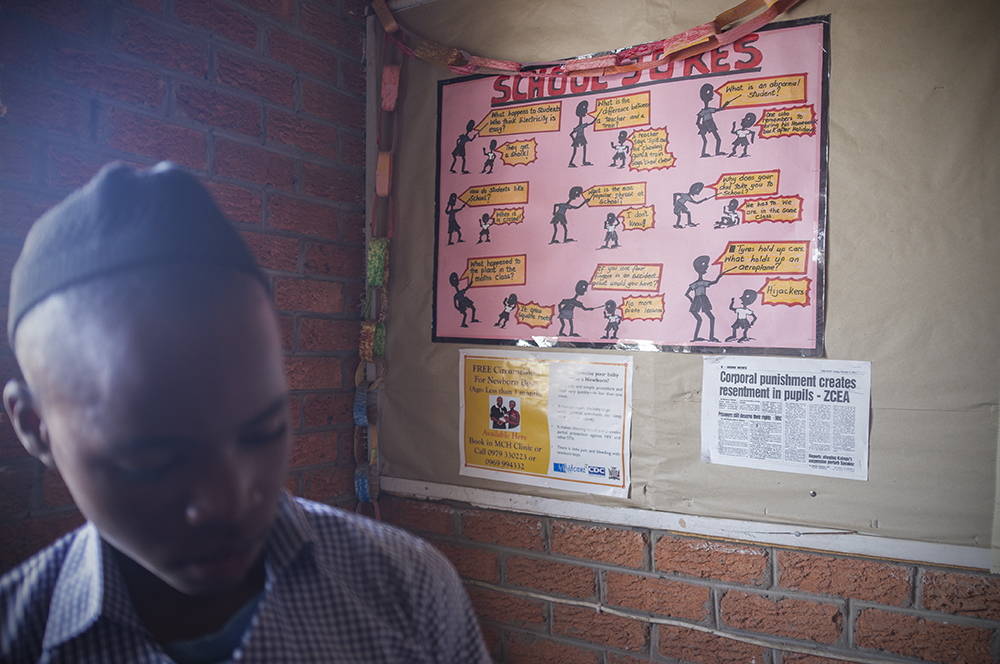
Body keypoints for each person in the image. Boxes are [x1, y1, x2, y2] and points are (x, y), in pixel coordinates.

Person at [0, 162, 490, 664]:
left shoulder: (409, 593)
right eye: (153, 459)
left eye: (264, 432)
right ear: (34, 426)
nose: (228, 501)